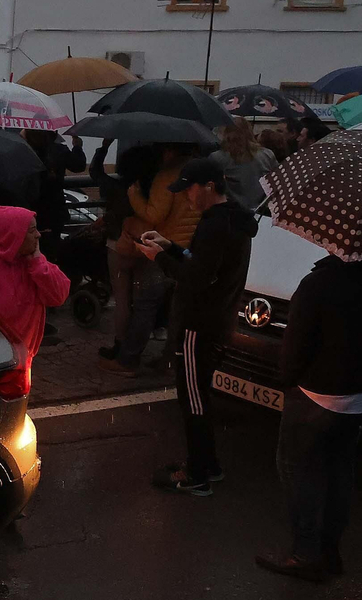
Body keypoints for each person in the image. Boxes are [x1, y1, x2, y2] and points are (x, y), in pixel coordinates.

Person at [256, 254, 362, 580]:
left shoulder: (317, 284)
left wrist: (287, 379)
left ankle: (306, 552)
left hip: (316, 395)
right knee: (340, 471)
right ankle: (330, 551)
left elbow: (296, 343)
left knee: (297, 469)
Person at [134, 159, 258, 496]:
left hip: (199, 324)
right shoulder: (234, 219)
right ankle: (209, 464)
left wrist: (158, 258)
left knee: (192, 398)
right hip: (220, 319)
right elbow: (203, 263)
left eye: (189, 189)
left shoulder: (215, 224)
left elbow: (196, 277)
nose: (187, 197)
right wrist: (170, 246)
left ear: (209, 186)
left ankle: (197, 474)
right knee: (199, 394)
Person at [101, 145, 201, 378]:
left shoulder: (167, 176)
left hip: (165, 246)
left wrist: (134, 195)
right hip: (190, 249)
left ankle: (128, 360)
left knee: (145, 305)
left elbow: (154, 214)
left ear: (169, 150)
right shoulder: (201, 173)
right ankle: (170, 360)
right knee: (177, 309)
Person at [0, 205, 71, 399]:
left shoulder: (36, 264)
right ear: (14, 235)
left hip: (24, 356)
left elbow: (58, 296)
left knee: (17, 399)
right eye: (31, 230)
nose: (38, 235)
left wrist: (37, 262)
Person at [90, 140, 159, 362]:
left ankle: (120, 345)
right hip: (145, 246)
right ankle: (135, 348)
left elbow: (95, 172)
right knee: (141, 303)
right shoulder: (154, 190)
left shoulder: (117, 187)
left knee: (121, 299)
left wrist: (104, 146)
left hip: (118, 245)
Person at [24, 130, 87, 264]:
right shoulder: (59, 150)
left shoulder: (25, 150)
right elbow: (79, 165)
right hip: (55, 210)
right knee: (51, 250)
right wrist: (77, 146)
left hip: (31, 209)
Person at [210, 118, 278, 211]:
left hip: (230, 211)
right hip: (261, 210)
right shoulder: (267, 155)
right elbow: (277, 182)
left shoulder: (217, 157)